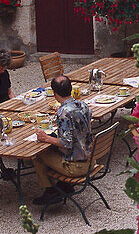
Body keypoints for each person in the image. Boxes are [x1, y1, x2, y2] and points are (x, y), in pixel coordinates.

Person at [32, 74, 93, 206]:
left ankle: (50, 192)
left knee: (38, 154)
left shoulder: (64, 112)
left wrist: (45, 137)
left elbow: (66, 143)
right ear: (71, 89)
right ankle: (64, 186)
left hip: (76, 166)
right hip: (90, 159)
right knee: (52, 145)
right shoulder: (83, 105)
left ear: (54, 93)